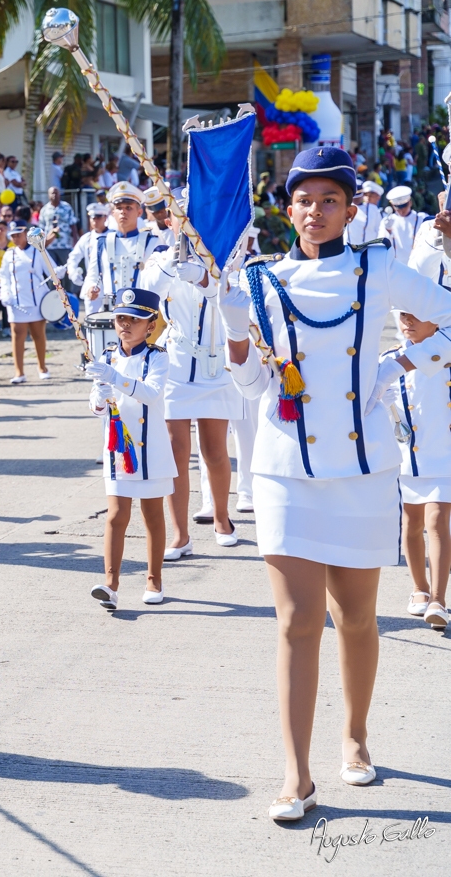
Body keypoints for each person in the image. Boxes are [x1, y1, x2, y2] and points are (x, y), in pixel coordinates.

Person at [200, 145, 451, 821]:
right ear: (289, 209)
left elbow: (448, 318)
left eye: (330, 199)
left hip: (363, 472)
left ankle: (357, 737)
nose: (316, 211)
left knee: (358, 618)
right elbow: (254, 389)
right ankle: (296, 776)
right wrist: (232, 328)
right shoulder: (258, 282)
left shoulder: (376, 268)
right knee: (296, 622)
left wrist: (400, 367)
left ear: (351, 207)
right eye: (304, 199)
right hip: (286, 471)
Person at [140, 240, 243, 558]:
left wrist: (204, 278)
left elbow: (233, 299)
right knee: (176, 453)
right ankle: (180, 535)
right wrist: (164, 268)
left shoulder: (228, 251)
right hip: (177, 365)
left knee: (214, 450)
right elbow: (145, 296)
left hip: (216, 367)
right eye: (176, 217)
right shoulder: (159, 255)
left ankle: (222, 518)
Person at [84, 287, 175, 609]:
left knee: (152, 515)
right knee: (116, 516)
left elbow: (151, 394)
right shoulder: (106, 355)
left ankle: (154, 579)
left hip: (150, 448)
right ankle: (110, 585)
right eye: (121, 318)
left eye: (134, 320)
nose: (125, 324)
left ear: (150, 325)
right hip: (118, 446)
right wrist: (98, 396)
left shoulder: (158, 356)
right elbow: (98, 408)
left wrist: (115, 378)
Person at [389, 310, 451, 630]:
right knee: (411, 524)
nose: (407, 322)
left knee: (437, 521)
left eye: (416, 316)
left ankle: (439, 600)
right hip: (408, 457)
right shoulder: (390, 360)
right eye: (403, 316)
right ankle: (419, 589)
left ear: (438, 320)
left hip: (445, 455)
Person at [80, 182, 161, 310]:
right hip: (111, 310)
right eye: (119, 208)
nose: (123, 212)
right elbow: (93, 274)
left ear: (139, 212)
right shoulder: (102, 242)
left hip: (142, 309)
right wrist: (91, 287)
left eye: (129, 208)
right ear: (113, 213)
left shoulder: (152, 242)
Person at [0, 219, 58, 382]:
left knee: (38, 335)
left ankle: (42, 367)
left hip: (37, 300)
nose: (16, 238)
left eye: (18, 234)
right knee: (17, 336)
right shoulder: (8, 254)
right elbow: (4, 276)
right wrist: (5, 293)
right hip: (16, 301)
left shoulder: (38, 250)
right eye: (13, 236)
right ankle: (19, 372)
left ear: (26, 234)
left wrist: (59, 272)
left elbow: (52, 271)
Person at [66, 202, 110, 307]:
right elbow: (73, 257)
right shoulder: (87, 238)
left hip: (110, 285)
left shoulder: (113, 235)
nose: (95, 221)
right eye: (92, 218)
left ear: (105, 218)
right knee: (91, 320)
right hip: (92, 285)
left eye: (98, 217)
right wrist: (73, 272)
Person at [379, 185, 426, 263]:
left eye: (404, 206)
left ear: (410, 203)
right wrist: (388, 231)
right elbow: (381, 244)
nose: (401, 210)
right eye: (397, 207)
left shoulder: (421, 218)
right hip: (396, 264)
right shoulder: (387, 221)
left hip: (417, 263)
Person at [38, 187, 78, 272]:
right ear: (48, 195)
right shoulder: (44, 210)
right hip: (50, 246)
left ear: (60, 194)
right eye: (52, 193)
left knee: (68, 271)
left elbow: (73, 224)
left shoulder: (67, 207)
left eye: (56, 193)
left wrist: (75, 241)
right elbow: (41, 228)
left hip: (65, 245)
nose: (54, 195)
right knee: (52, 272)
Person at [344, 181, 383, 246]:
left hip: (368, 249)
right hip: (347, 248)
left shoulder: (372, 209)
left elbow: (379, 230)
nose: (355, 199)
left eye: (357, 197)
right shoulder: (344, 208)